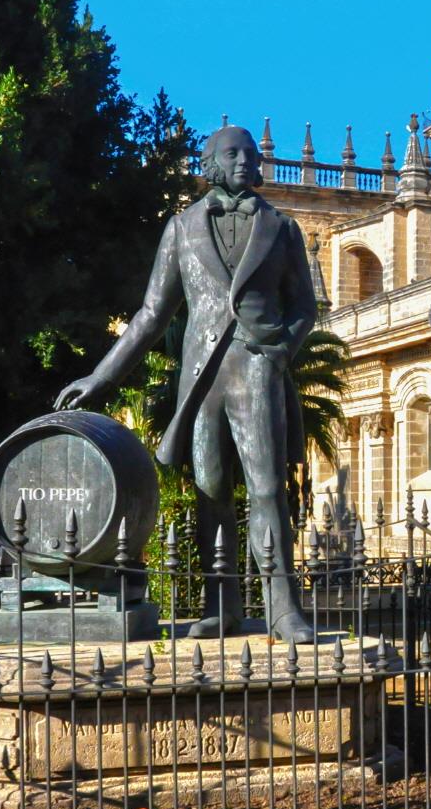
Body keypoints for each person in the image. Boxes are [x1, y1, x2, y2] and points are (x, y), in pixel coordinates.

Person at [56, 125, 319, 642]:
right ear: (212, 164)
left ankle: (284, 610)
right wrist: (102, 377)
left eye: (250, 153)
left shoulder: (282, 228)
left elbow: (304, 307)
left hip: (257, 366)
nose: (245, 160)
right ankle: (220, 605)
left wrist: (281, 351)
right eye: (232, 153)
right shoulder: (181, 228)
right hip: (200, 377)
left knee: (267, 489)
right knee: (210, 490)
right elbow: (152, 314)